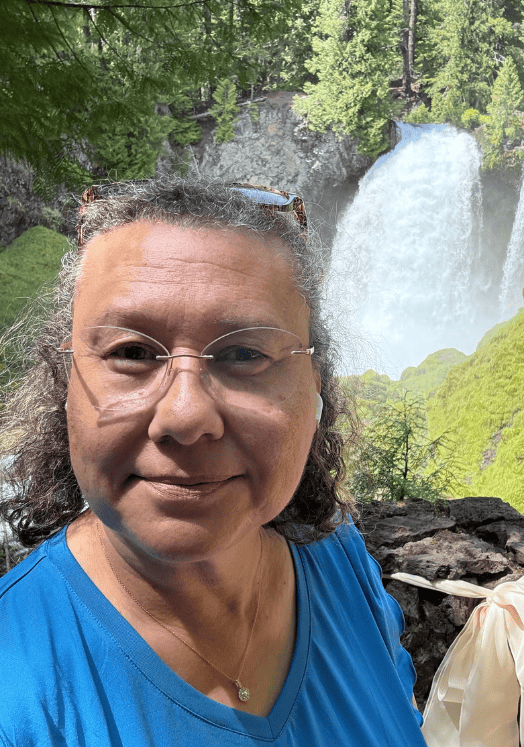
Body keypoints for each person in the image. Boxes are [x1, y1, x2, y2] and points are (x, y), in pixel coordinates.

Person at [0, 176, 427, 746]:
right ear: (65, 384)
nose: (185, 415)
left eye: (244, 354)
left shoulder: (340, 560)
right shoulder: (15, 691)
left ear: (315, 386)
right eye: (132, 352)